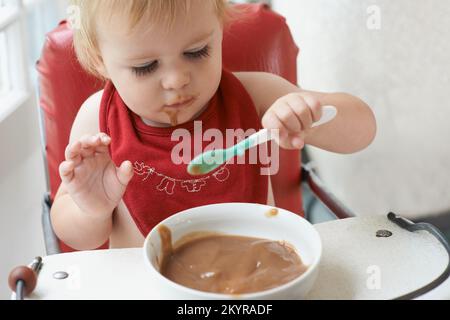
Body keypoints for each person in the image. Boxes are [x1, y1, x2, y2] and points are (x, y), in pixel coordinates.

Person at [51, 0, 376, 250]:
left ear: (219, 29)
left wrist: (309, 118)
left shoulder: (256, 95)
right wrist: (91, 210)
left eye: (197, 51)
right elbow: (75, 237)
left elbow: (363, 128)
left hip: (260, 280)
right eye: (145, 66)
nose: (177, 79)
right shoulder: (98, 121)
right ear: (99, 60)